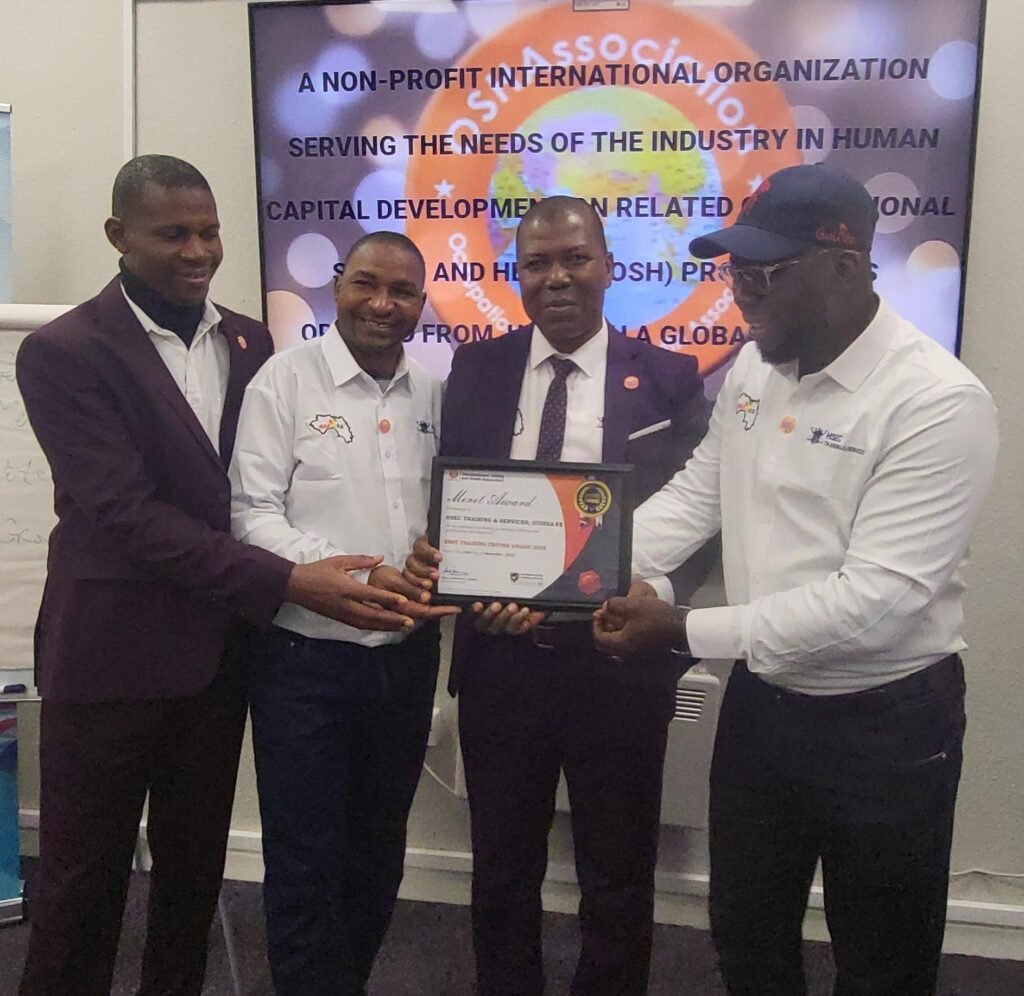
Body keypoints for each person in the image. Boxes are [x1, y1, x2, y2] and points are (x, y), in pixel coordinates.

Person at [593, 163, 999, 996]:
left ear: (844, 267)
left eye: (763, 273)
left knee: (882, 959)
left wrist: (683, 630)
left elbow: (877, 601)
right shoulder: (756, 368)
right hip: (764, 704)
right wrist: (588, 570)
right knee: (746, 936)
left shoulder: (937, 401)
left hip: (885, 724)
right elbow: (700, 495)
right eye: (733, 271)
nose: (740, 292)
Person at [15, 156, 414, 996]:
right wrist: (289, 578)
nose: (198, 251)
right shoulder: (64, 350)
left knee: (193, 879)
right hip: (109, 659)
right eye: (174, 234)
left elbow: (249, 492)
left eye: (209, 232)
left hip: (216, 659)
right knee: (82, 882)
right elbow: (124, 513)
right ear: (119, 236)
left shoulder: (249, 339)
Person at [406, 196, 710, 996]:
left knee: (618, 868)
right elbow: (459, 505)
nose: (558, 278)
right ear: (518, 275)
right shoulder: (477, 369)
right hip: (503, 663)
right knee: (502, 865)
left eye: (575, 259)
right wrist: (470, 582)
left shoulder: (670, 377)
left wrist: (652, 592)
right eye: (537, 263)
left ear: (608, 266)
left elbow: (704, 516)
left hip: (618, 663)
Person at [229, 231, 458, 996]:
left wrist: (439, 561)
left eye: (402, 291)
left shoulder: (434, 394)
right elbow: (250, 514)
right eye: (366, 284)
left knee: (378, 852)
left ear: (421, 303)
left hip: (406, 658)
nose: (382, 304)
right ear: (337, 286)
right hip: (306, 663)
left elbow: (451, 515)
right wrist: (349, 573)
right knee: (305, 859)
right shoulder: (284, 381)